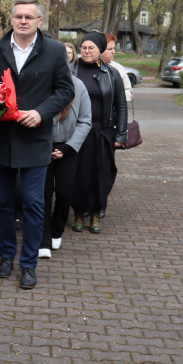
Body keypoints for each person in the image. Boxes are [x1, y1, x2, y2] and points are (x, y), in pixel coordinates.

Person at [0, 0, 74, 290]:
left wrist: (40, 113)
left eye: (28, 17)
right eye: (18, 16)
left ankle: (29, 263)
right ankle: (7, 255)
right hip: (1, 138)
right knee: (4, 203)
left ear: (39, 22)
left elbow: (64, 90)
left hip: (35, 139)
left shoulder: (55, 51)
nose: (23, 21)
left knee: (35, 204)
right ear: (11, 20)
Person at [71, 32, 127, 235]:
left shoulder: (111, 74)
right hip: (77, 132)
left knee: (102, 174)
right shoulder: (72, 70)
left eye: (91, 48)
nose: (86, 51)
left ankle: (96, 213)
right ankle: (78, 212)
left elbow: (120, 106)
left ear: (100, 50)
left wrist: (120, 135)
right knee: (79, 174)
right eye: (83, 47)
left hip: (103, 132)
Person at [42, 43, 92, 257]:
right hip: (42, 148)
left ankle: (57, 228)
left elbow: (85, 121)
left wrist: (68, 147)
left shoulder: (78, 86)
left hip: (68, 148)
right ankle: (42, 238)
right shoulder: (42, 85)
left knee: (64, 193)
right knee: (40, 196)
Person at [101, 33, 133, 103]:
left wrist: (116, 96)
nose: (114, 52)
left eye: (114, 48)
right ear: (100, 49)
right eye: (110, 49)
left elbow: (129, 91)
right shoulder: (89, 67)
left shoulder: (119, 68)